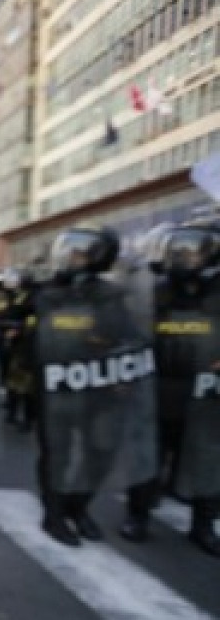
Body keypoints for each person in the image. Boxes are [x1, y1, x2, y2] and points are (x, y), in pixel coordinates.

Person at [29, 224, 158, 547]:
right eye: (69, 251)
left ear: (98, 259)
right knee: (56, 453)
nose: (71, 258)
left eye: (80, 254)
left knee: (100, 451)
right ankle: (54, 514)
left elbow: (132, 338)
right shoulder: (43, 292)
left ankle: (78, 507)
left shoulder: (112, 296)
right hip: (55, 387)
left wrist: (122, 366)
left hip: (99, 388)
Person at [123, 224, 220, 556]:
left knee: (206, 457)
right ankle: (138, 516)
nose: (186, 259)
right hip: (159, 384)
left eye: (194, 253)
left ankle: (203, 525)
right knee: (150, 453)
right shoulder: (155, 291)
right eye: (180, 252)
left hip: (206, 389)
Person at [0, 268, 36, 431]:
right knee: (11, 379)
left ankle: (28, 418)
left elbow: (34, 320)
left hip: (26, 344)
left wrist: (20, 330)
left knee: (26, 383)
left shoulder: (31, 298)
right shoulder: (8, 297)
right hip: (8, 342)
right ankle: (11, 412)